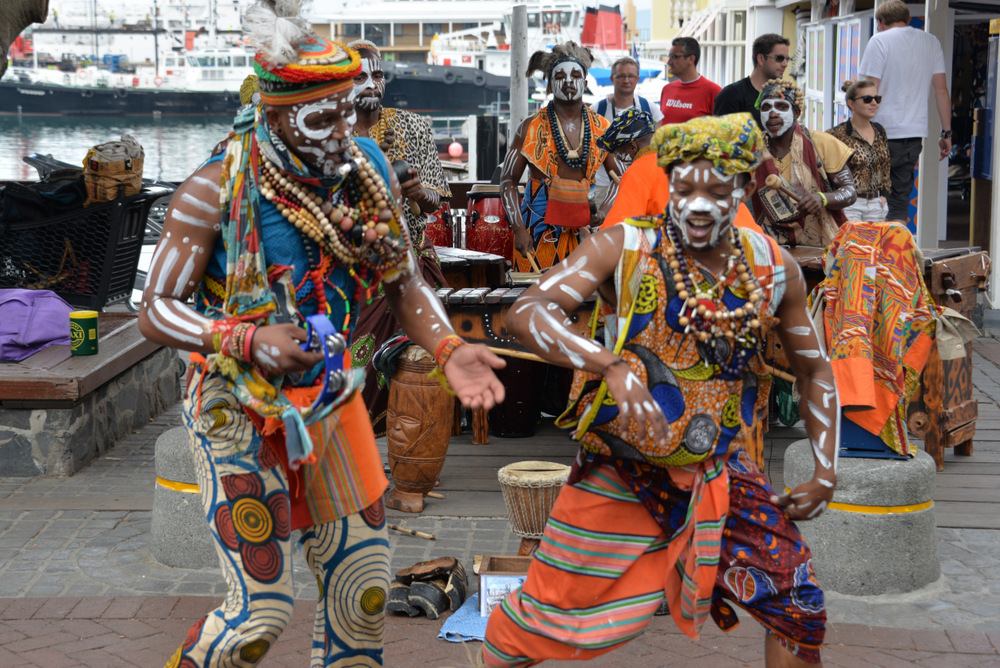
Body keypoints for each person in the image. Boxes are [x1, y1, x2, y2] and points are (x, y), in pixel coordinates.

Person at [137, 3, 505, 666]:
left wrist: (448, 348)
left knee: (361, 598)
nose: (343, 130)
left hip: (332, 399)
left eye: (347, 110)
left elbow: (403, 282)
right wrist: (247, 341)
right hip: (236, 405)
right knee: (259, 614)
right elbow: (155, 309)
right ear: (276, 114)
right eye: (322, 116)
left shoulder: (366, 169)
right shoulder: (214, 188)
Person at [482, 113, 839, 667]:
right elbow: (528, 311)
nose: (698, 204)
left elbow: (815, 371)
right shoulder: (625, 246)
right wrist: (608, 364)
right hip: (620, 469)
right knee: (546, 619)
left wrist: (825, 469)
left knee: (798, 608)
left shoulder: (772, 267)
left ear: (744, 188)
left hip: (720, 472)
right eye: (684, 188)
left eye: (717, 190)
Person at [345, 39, 454, 436]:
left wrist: (413, 191)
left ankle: (415, 438)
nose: (371, 85)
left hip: (412, 259)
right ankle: (361, 436)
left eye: (377, 76)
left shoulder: (414, 126)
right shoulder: (328, 134)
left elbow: (434, 201)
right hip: (355, 265)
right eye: (360, 76)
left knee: (421, 358)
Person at [502, 41, 621, 271]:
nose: (568, 82)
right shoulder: (529, 127)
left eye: (575, 75)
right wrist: (518, 229)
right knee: (536, 300)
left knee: (582, 300)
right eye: (560, 77)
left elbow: (621, 177)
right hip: (536, 232)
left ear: (585, 84)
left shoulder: (602, 127)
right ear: (548, 84)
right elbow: (507, 181)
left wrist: (604, 210)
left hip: (584, 233)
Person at [858, 0, 952, 223]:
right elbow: (941, 91)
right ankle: (894, 253)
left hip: (879, 133)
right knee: (899, 202)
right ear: (908, 20)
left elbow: (869, 91)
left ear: (880, 23)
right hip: (912, 136)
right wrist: (946, 133)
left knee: (871, 200)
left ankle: (873, 254)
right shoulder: (931, 43)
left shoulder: (879, 41)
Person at [597, 108, 761, 234]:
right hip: (754, 241)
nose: (620, 159)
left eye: (620, 154)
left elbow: (615, 230)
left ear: (633, 147)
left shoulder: (638, 170)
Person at [752, 80, 856, 247]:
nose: (772, 114)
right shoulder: (751, 151)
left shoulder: (822, 143)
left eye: (781, 106)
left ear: (796, 113)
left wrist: (822, 198)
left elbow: (850, 192)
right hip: (767, 247)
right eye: (766, 108)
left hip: (819, 246)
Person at [591, 57, 664, 205]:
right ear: (612, 79)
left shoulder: (650, 108)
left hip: (643, 183)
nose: (626, 80)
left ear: (637, 79)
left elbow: (659, 145)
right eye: (621, 76)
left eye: (631, 76)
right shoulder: (596, 110)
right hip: (603, 184)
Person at [827, 79, 891, 222]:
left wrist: (885, 194)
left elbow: (885, 166)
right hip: (850, 204)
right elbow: (828, 172)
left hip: (876, 204)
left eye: (877, 98)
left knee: (874, 244)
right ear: (851, 104)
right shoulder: (836, 134)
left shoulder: (880, 130)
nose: (874, 103)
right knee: (852, 244)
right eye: (867, 99)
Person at [713, 33, 790, 128]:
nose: (785, 64)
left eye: (787, 59)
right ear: (761, 59)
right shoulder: (731, 95)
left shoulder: (783, 95)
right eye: (779, 58)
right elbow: (720, 136)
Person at [658, 37, 722, 125]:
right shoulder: (667, 89)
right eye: (669, 57)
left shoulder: (713, 91)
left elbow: (721, 131)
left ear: (691, 59)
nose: (669, 62)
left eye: (674, 57)